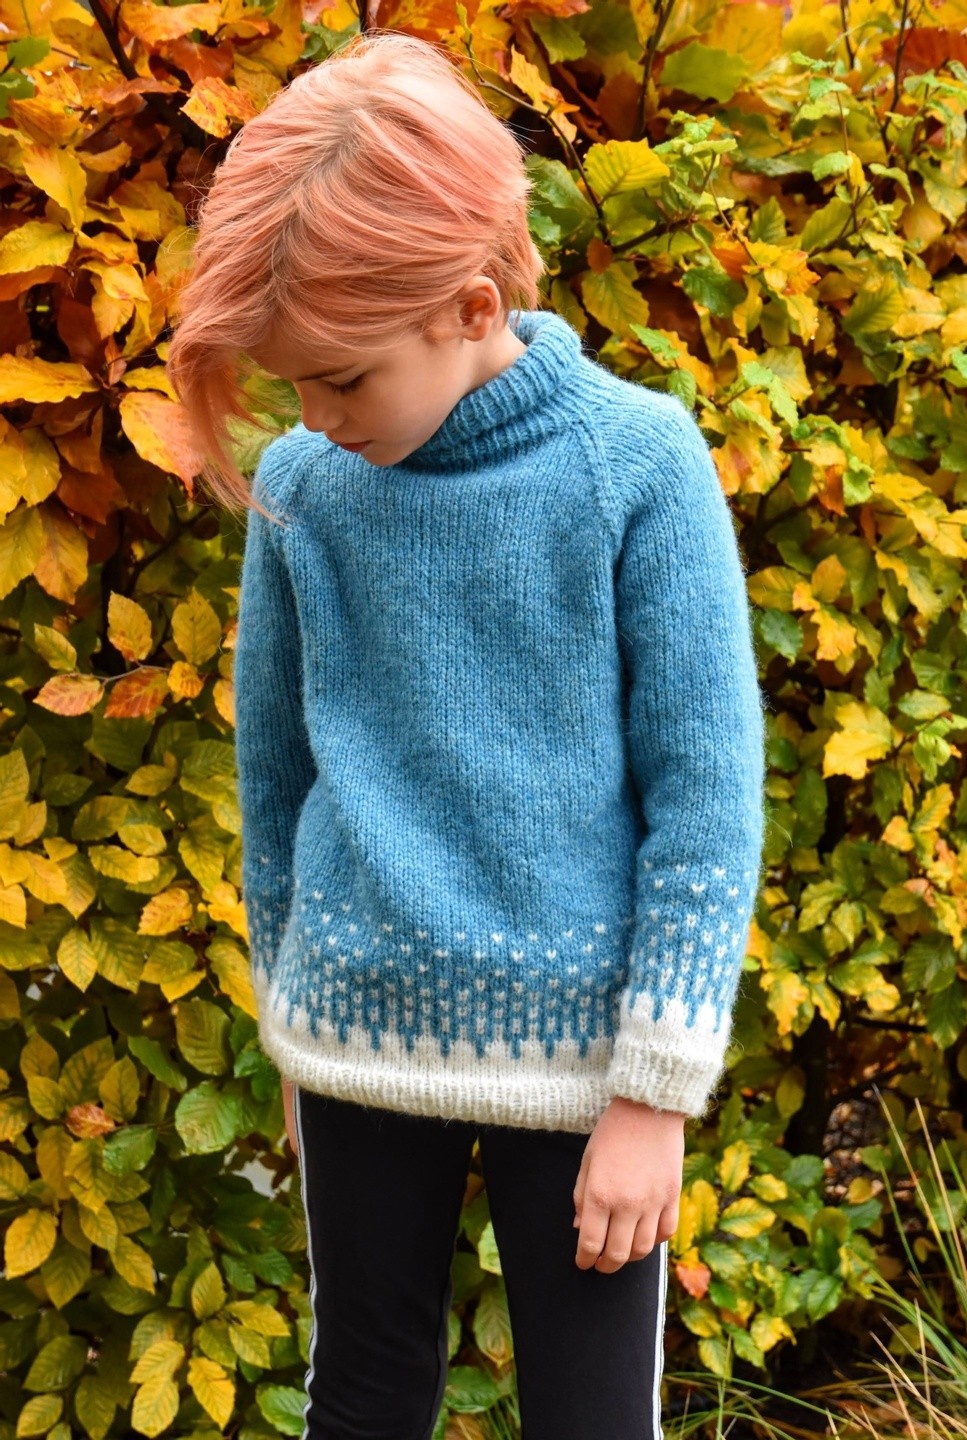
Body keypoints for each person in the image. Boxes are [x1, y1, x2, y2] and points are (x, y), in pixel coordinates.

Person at [166, 26, 766, 1440]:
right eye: (293, 386)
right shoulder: (311, 485)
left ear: (472, 303)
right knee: (363, 1394)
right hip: (358, 1034)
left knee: (592, 1416)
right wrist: (298, 1025)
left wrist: (655, 1093)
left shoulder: (636, 466)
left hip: (588, 1071)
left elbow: (706, 795)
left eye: (343, 378)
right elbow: (277, 775)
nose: (312, 420)